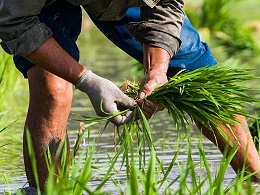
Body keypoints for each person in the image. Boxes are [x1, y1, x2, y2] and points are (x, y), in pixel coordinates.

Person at [0, 0, 259, 193]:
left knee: (199, 77)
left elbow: (166, 5)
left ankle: (255, 180)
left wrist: (157, 69)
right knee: (52, 90)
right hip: (36, 6)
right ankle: (48, 191)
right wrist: (87, 81)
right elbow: (14, 23)